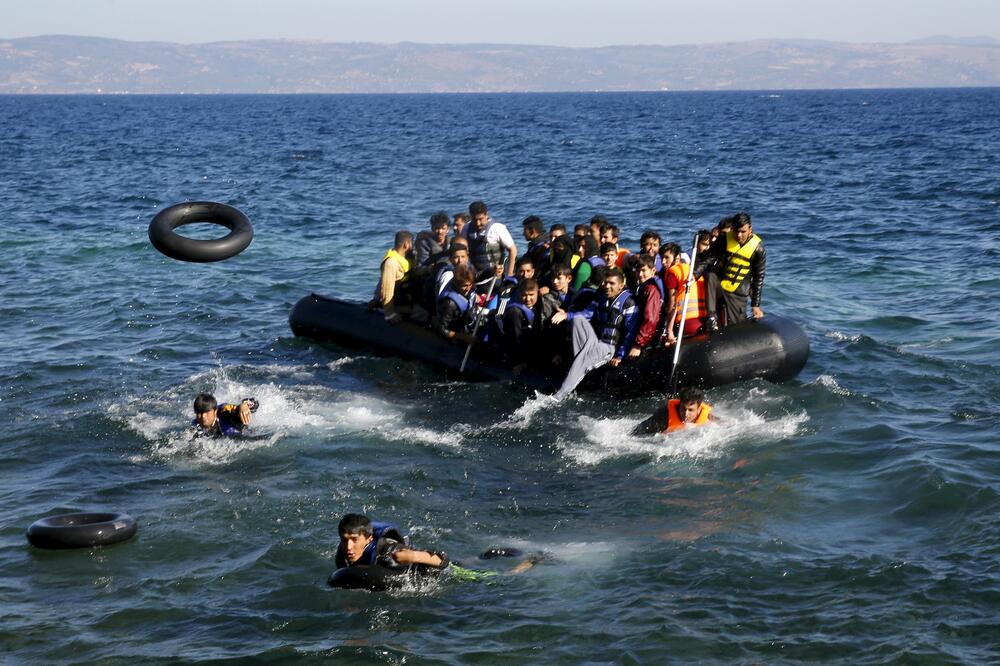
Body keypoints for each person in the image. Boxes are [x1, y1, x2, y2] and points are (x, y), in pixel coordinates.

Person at [550, 268, 638, 399]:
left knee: (583, 359)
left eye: (612, 284)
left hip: (609, 347)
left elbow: (630, 333)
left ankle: (559, 396)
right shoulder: (601, 296)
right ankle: (578, 376)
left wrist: (620, 356)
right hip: (596, 341)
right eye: (606, 282)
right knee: (577, 319)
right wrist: (567, 315)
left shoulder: (629, 303)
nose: (607, 286)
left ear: (621, 285)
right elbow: (586, 314)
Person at [699, 212, 766, 331]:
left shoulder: (758, 249)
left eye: (743, 231)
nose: (739, 235)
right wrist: (695, 273)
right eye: (736, 231)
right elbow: (709, 258)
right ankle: (712, 318)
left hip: (738, 293)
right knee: (711, 276)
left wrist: (755, 305)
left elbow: (758, 277)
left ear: (750, 229)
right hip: (720, 286)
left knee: (736, 328)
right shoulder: (724, 239)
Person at [335, 513, 448, 570]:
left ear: (369, 539)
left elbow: (441, 560)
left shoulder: (389, 551)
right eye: (344, 540)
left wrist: (413, 556)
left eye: (355, 540)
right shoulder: (342, 554)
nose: (348, 547)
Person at [463, 201, 518, 278]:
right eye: (475, 220)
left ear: (486, 215)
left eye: (480, 219)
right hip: (474, 276)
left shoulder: (497, 228)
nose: (478, 223)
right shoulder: (466, 228)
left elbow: (513, 250)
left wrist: (509, 274)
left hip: (494, 276)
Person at [631, 386, 716, 435]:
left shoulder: (708, 417)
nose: (686, 414)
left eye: (690, 410)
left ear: (699, 409)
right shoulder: (663, 417)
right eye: (683, 409)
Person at [372, 230, 414, 324]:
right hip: (398, 302)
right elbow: (386, 288)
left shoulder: (405, 258)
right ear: (406, 245)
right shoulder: (391, 263)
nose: (413, 246)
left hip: (408, 299)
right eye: (412, 243)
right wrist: (389, 313)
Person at [627, 254, 664, 359]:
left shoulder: (651, 290)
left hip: (649, 340)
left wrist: (638, 344)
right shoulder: (643, 287)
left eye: (643, 270)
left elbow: (651, 319)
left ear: (653, 271)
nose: (640, 274)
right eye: (638, 271)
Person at [433, 264, 477, 344]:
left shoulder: (467, 285)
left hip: (469, 320)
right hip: (457, 334)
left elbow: (480, 275)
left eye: (470, 285)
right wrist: (463, 337)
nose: (468, 288)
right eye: (465, 286)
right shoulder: (449, 303)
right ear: (456, 284)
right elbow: (441, 329)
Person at [192, 393, 257, 438]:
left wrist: (243, 405)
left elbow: (254, 402)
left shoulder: (225, 412)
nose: (203, 417)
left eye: (207, 412)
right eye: (199, 413)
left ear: (215, 411)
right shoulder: (196, 425)